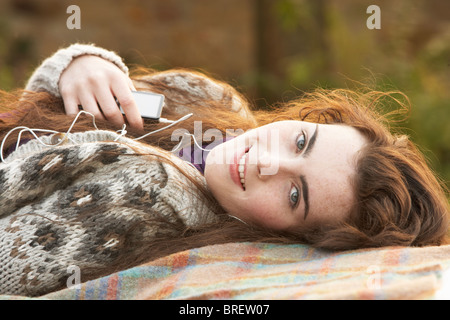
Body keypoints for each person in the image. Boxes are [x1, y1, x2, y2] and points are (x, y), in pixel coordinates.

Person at [0, 43, 448, 296]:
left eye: (295, 196)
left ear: (292, 239)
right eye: (300, 141)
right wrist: (80, 65)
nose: (266, 162)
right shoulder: (214, 100)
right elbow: (42, 104)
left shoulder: (159, 211)